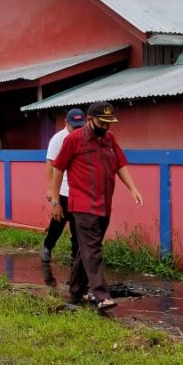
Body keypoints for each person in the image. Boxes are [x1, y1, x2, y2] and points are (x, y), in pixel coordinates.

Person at [50, 102, 143, 310]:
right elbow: (57, 168)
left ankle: (76, 289)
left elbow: (120, 163)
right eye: (102, 122)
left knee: (87, 250)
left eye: (109, 123)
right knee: (93, 249)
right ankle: (100, 294)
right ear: (90, 120)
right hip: (82, 205)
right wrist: (55, 200)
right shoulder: (74, 140)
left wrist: (133, 188)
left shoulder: (109, 139)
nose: (106, 127)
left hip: (104, 204)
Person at [41, 108, 85, 263]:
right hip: (63, 190)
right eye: (74, 126)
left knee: (77, 226)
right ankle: (48, 246)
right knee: (58, 222)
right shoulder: (58, 139)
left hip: (79, 192)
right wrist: (51, 190)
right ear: (66, 122)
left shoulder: (85, 137)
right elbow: (50, 164)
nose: (77, 130)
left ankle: (76, 257)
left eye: (80, 126)